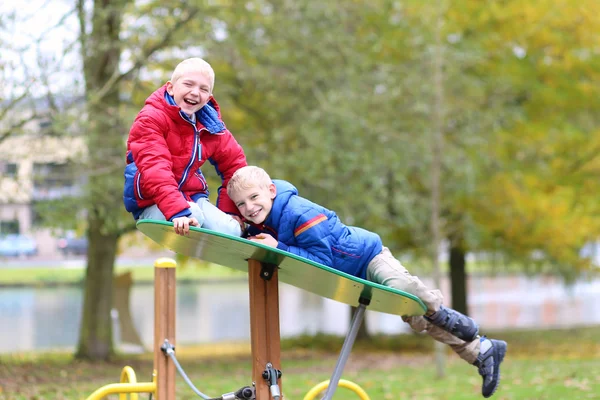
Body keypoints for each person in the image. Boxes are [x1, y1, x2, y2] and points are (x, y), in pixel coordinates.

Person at [227, 166, 507, 399]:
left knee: (406, 293)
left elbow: (321, 262)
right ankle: (481, 351)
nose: (249, 207)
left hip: (368, 257)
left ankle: (448, 315)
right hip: (352, 276)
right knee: (414, 317)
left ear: (271, 191)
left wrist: (279, 247)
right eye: (242, 204)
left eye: (254, 197)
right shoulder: (262, 221)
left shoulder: (299, 213)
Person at [123, 58, 246, 236]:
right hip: (152, 201)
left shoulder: (211, 125)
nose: (195, 93)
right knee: (193, 215)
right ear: (171, 87)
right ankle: (184, 219)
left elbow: (235, 167)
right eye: (188, 84)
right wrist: (177, 211)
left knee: (232, 230)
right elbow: (155, 169)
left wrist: (232, 211)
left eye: (203, 89)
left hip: (192, 196)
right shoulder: (150, 119)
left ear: (209, 98)